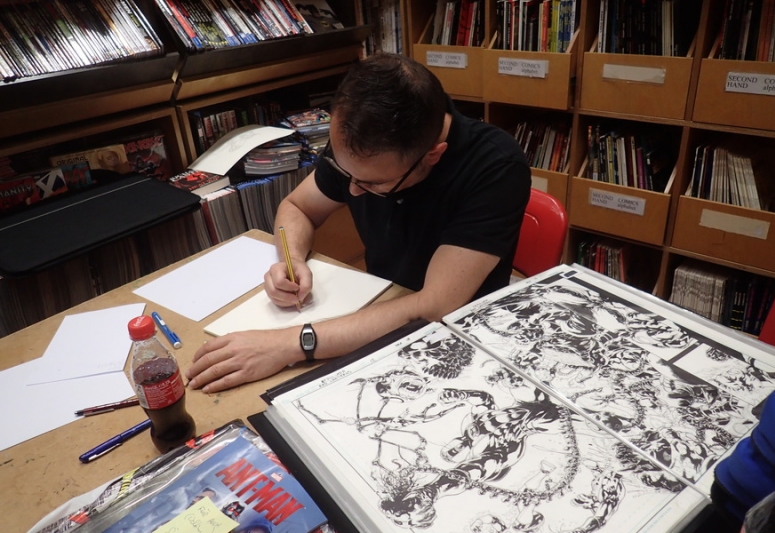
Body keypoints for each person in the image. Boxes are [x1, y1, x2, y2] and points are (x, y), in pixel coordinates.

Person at [186, 53, 531, 393]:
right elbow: (297, 207)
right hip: (373, 306)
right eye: (344, 172)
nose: (351, 190)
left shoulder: (495, 167)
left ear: (433, 155)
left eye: (372, 184)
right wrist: (292, 261)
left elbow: (434, 306)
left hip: (456, 342)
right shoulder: (362, 141)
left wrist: (290, 343)